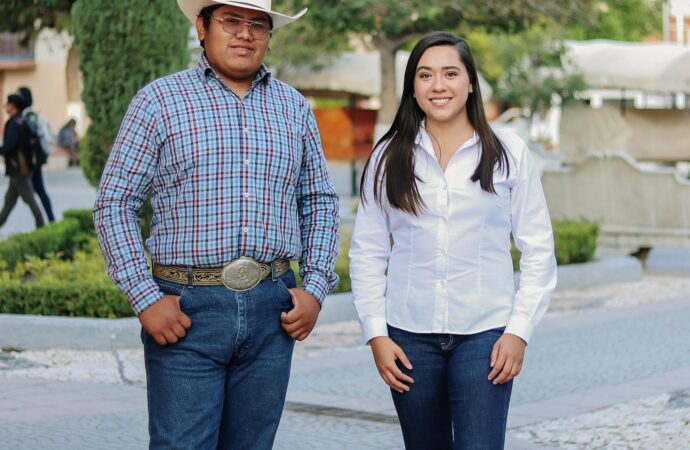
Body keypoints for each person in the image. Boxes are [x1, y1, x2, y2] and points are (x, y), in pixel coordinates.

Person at [93, 0, 339, 448]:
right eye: (231, 21)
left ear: (268, 37)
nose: (245, 34)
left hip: (273, 310)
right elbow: (115, 203)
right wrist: (145, 298)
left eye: (258, 25)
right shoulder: (159, 102)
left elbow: (319, 200)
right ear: (202, 28)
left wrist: (316, 288)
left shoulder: (294, 107)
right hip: (186, 311)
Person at [349, 31, 557, 450]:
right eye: (425, 75)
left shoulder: (508, 151)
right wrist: (376, 335)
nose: (438, 85)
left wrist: (519, 331)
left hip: (485, 335)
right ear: (413, 86)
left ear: (470, 82)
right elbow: (367, 252)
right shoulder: (389, 155)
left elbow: (538, 248)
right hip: (407, 336)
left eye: (450, 73)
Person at [0, 93, 45, 229]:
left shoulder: (14, 123)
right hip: (23, 168)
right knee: (9, 202)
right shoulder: (24, 120)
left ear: (13, 106)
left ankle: (41, 226)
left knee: (30, 199)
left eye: (8, 104)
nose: (6, 107)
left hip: (18, 169)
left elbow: (9, 145)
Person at [18, 86, 56, 222]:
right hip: (31, 161)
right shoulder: (28, 114)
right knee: (36, 191)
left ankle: (47, 220)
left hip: (31, 161)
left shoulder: (28, 115)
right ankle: (50, 220)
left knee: (36, 191)